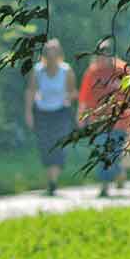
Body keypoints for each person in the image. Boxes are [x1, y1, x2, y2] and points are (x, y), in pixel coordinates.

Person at [78, 36, 130, 197]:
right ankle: (104, 186)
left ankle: (118, 171)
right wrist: (81, 118)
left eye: (106, 53)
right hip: (98, 120)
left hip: (120, 120)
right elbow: (84, 97)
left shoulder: (122, 69)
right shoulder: (93, 71)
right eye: (100, 53)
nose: (103, 56)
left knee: (114, 152)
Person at [24, 38, 77, 195]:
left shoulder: (66, 71)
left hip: (61, 112)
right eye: (48, 51)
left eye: (54, 51)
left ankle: (53, 181)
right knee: (45, 146)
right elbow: (30, 92)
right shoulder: (38, 70)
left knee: (59, 145)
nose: (51, 54)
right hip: (43, 112)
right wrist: (28, 113)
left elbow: (73, 92)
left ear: (59, 53)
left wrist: (71, 103)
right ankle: (51, 180)